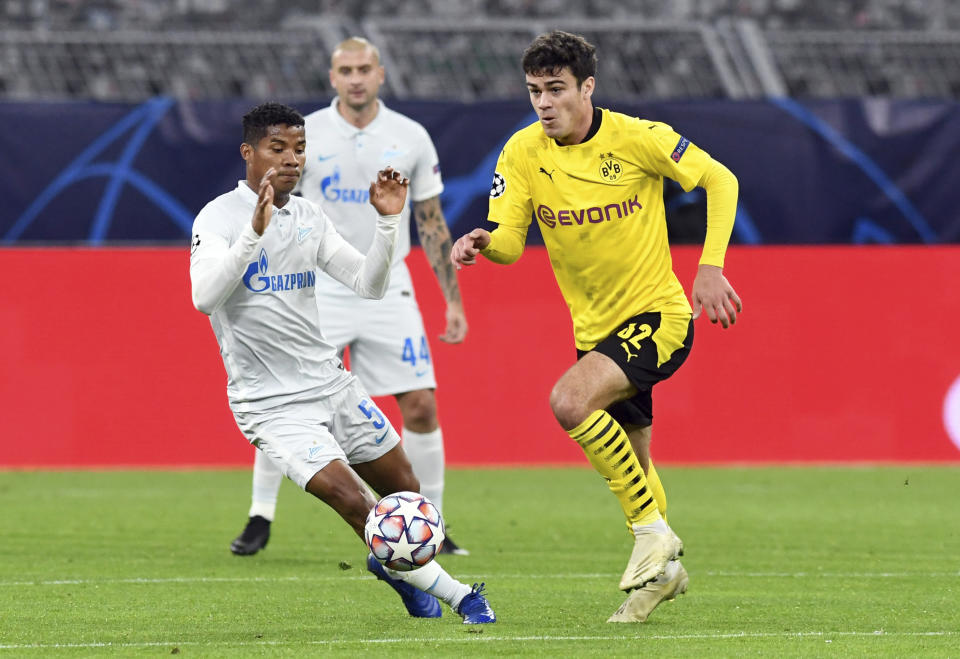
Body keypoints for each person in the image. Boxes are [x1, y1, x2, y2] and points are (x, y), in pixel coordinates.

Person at [451, 31, 742, 623]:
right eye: (534, 92)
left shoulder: (639, 138)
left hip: (659, 318)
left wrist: (709, 266)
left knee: (569, 400)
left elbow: (721, 180)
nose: (543, 103)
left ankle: (653, 538)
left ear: (587, 87)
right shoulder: (521, 152)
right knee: (634, 466)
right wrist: (486, 242)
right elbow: (510, 240)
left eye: (556, 90)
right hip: (596, 332)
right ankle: (666, 573)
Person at [191, 101, 494, 623]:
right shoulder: (218, 218)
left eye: (300, 149)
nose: (291, 159)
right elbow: (204, 297)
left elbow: (368, 284)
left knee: (406, 491)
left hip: (331, 386)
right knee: (353, 500)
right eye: (277, 148)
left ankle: (389, 567)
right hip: (270, 404)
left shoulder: (309, 215)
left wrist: (388, 222)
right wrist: (253, 234)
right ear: (249, 152)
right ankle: (462, 596)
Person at [229, 37, 470, 558]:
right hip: (317, 288)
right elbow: (273, 204)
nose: (356, 77)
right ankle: (259, 516)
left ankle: (434, 523)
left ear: (381, 74)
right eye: (346, 70)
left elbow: (430, 222)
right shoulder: (304, 135)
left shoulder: (411, 136)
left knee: (422, 404)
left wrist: (451, 300)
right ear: (333, 77)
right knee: (288, 401)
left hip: (389, 285)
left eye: (365, 68)